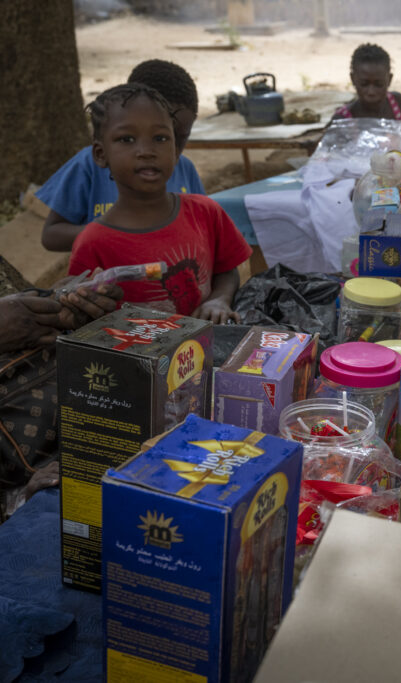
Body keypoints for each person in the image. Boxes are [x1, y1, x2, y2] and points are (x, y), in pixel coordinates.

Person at [67, 83, 250, 323]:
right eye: (127, 139)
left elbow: (226, 270)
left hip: (208, 344)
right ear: (101, 154)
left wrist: (219, 299)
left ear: (175, 150)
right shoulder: (93, 243)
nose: (146, 151)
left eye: (160, 138)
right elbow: (82, 312)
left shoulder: (205, 212)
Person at [0, 256, 124, 522]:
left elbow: (23, 307)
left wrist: (60, 304)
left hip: (84, 414)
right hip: (35, 481)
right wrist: (20, 503)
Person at [37, 59, 205, 252]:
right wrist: (110, 233)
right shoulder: (88, 166)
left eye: (166, 138)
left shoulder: (186, 170)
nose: (154, 151)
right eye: (129, 139)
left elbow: (205, 230)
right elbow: (51, 235)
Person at [331, 43, 401, 154]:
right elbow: (332, 154)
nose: (371, 92)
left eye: (379, 84)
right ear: (353, 79)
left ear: (389, 79)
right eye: (364, 84)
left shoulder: (400, 104)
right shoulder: (343, 120)